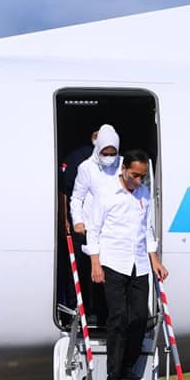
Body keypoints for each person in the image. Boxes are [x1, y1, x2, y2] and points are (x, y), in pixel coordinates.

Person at [87, 149, 167, 380]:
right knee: (118, 318)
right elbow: (94, 229)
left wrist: (155, 261)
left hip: (139, 264)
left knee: (140, 317)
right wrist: (95, 263)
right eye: (134, 175)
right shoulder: (106, 193)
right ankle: (113, 375)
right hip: (113, 262)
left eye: (142, 177)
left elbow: (148, 230)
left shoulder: (143, 194)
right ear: (124, 170)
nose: (138, 181)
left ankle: (126, 367)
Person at [68, 125, 122, 316]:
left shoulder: (123, 166)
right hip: (91, 228)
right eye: (104, 153)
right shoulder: (86, 167)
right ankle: (88, 311)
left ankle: (106, 313)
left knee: (111, 275)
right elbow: (76, 197)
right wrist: (78, 221)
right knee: (89, 274)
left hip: (114, 229)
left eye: (112, 153)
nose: (108, 157)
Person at [58, 127, 102, 310]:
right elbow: (65, 191)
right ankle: (76, 307)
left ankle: (98, 311)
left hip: (102, 225)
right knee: (77, 268)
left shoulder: (117, 162)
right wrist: (65, 219)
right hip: (80, 224)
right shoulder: (78, 158)